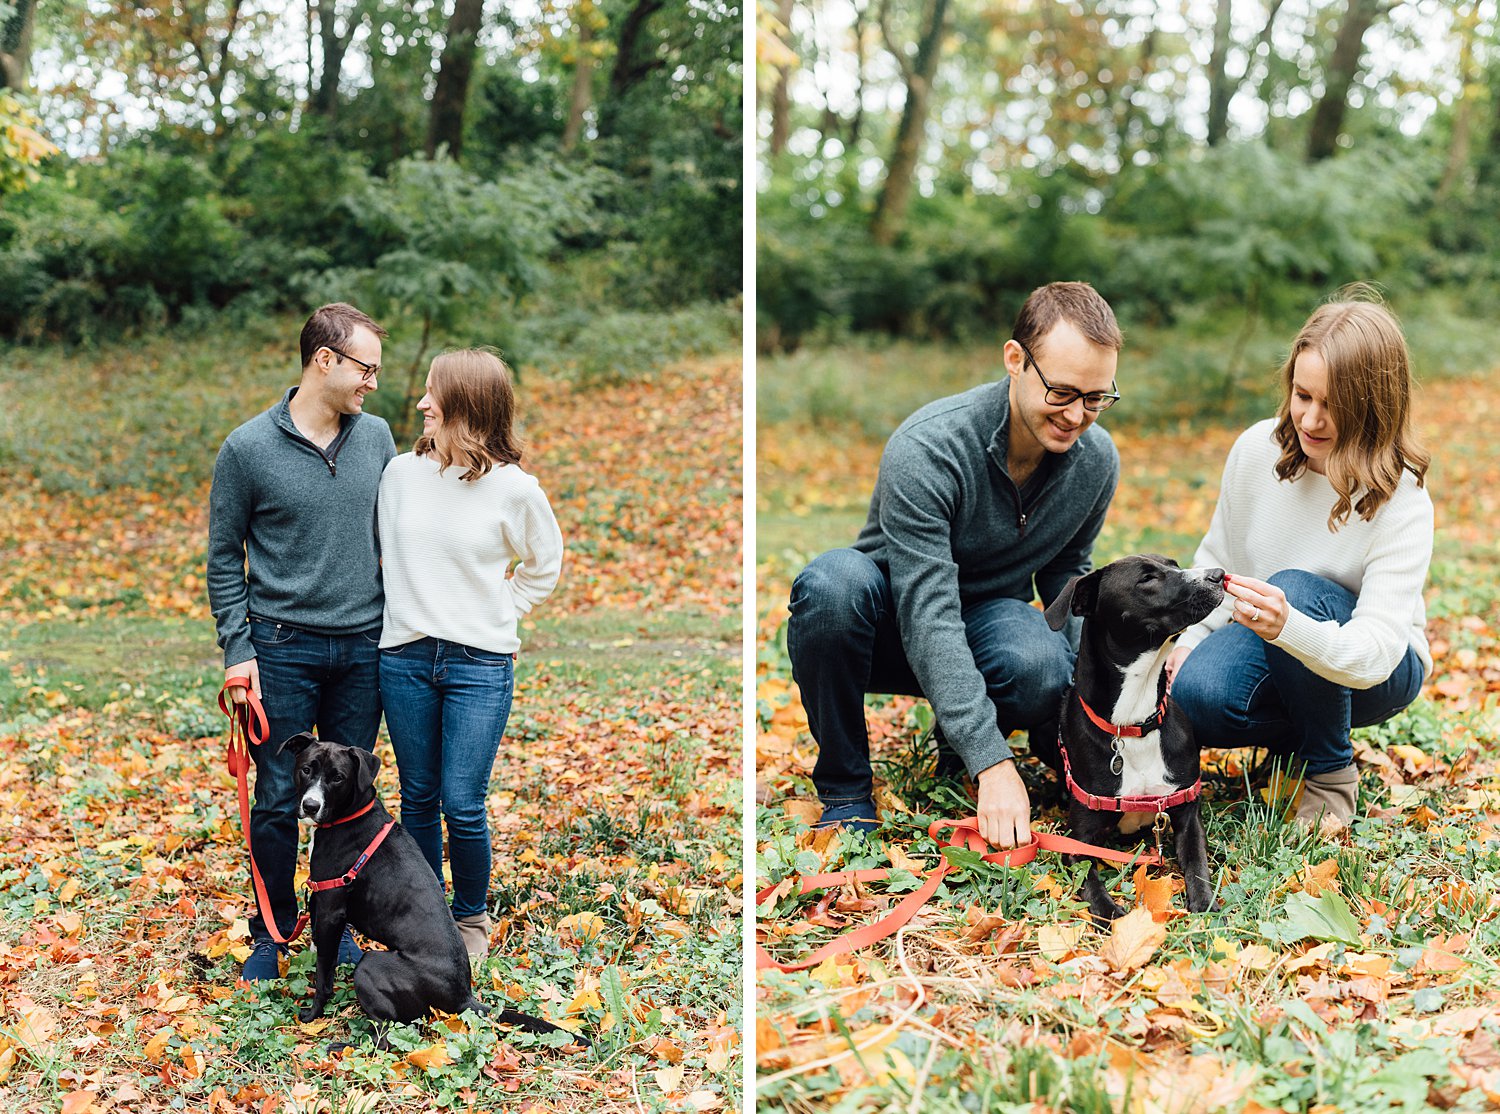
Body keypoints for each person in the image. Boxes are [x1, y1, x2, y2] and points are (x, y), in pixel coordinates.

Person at [787, 282, 1123, 849]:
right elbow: (929, 611)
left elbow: (1069, 578)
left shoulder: (1095, 462)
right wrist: (993, 763)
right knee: (832, 586)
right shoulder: (929, 447)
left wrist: (1093, 709)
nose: (1076, 416)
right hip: (888, 624)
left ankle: (956, 738)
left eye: (1095, 398)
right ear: (1015, 360)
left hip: (987, 623)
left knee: (1041, 662)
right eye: (1062, 392)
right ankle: (845, 789)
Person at [1166, 290, 1432, 834]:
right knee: (1196, 695)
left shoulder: (1402, 498)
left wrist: (1292, 625)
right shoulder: (1254, 451)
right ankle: (1298, 737)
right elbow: (1220, 560)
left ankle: (1329, 773)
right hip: (1275, 639)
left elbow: (1379, 651)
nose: (1310, 418)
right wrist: (1189, 643)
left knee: (1296, 587)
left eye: (1333, 404)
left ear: (1372, 404)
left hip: (1379, 669)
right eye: (1301, 394)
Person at [207, 302, 397, 981]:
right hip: (281, 647)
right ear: (325, 360)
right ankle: (272, 928)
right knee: (279, 796)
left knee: (349, 797)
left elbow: (400, 534)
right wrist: (239, 650)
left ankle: (337, 923)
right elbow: (224, 558)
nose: (372, 382)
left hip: (362, 650)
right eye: (365, 368)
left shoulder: (376, 437)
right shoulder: (247, 449)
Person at [376, 348, 563, 959]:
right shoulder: (402, 475)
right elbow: (386, 558)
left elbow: (544, 566)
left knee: (463, 802)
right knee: (419, 797)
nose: (422, 404)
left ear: (467, 405)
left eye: (434, 394)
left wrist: (499, 610)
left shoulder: (515, 490)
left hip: (478, 665)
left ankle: (470, 919)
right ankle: (424, 914)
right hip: (403, 658)